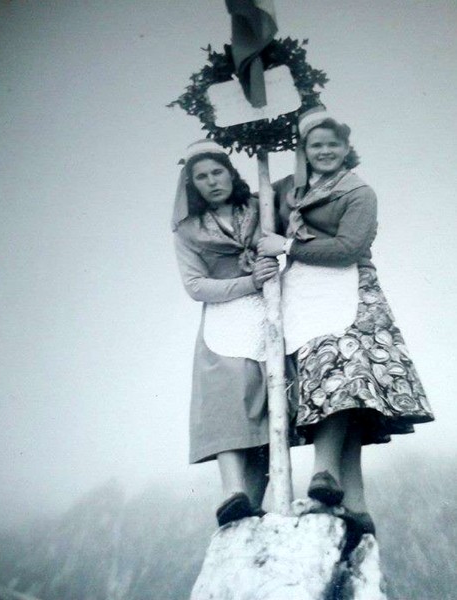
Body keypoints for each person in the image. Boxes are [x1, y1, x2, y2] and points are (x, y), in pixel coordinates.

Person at [258, 107, 434, 542]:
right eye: (315, 145)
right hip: (304, 296)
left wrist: (288, 245)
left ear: (345, 149)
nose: (325, 152)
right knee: (333, 390)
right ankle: (355, 504)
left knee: (346, 383)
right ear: (304, 150)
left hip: (352, 296)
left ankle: (324, 472)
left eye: (332, 145)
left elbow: (347, 248)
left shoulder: (359, 192)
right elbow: (254, 206)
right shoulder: (288, 190)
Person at [172, 139, 284, 527]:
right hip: (224, 318)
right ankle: (233, 493)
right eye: (201, 177)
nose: (211, 181)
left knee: (271, 406)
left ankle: (253, 501)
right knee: (229, 406)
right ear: (193, 185)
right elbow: (195, 286)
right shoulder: (188, 231)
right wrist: (248, 283)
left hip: (271, 312)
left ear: (230, 172)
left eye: (216, 172)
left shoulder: (259, 206)